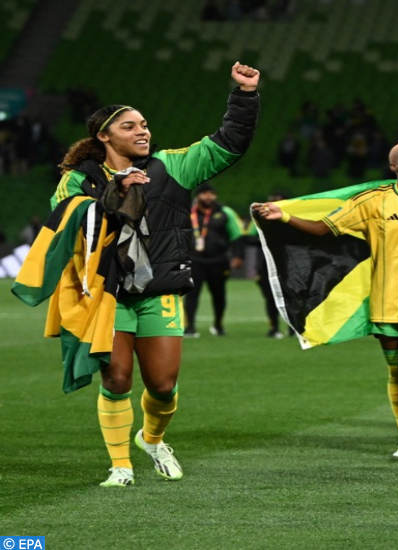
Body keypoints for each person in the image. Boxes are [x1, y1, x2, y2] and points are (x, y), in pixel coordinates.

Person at [49, 62, 260, 487]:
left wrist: (245, 95)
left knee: (163, 386)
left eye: (144, 124)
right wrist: (115, 193)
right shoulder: (80, 180)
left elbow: (229, 142)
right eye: (129, 127)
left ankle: (152, 438)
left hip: (157, 290)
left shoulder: (172, 167)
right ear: (104, 137)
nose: (142, 131)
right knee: (118, 377)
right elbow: (66, 225)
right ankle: (120, 466)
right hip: (106, 295)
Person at [253, 141, 398, 461]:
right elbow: (323, 228)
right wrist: (284, 216)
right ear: (394, 166)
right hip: (386, 300)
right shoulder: (372, 202)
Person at [183, 184, 244, 337]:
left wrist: (238, 256)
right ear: (198, 196)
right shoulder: (187, 212)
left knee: (219, 294)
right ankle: (189, 327)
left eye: (211, 193)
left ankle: (218, 325)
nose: (208, 196)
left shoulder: (225, 212)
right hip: (194, 260)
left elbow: (236, 235)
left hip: (219, 260)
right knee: (192, 293)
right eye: (204, 194)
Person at [245, 190, 290, 338]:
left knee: (291, 296)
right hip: (267, 264)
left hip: (288, 264)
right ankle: (274, 328)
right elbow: (249, 238)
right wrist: (265, 239)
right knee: (270, 297)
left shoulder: (291, 217)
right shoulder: (260, 218)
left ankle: (293, 328)